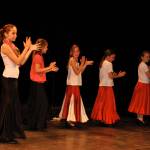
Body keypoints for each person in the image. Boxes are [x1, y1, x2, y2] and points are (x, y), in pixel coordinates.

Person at [0, 24, 39, 144]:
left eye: (16, 33)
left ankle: (10, 133)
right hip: (8, 80)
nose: (15, 35)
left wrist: (30, 49)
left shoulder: (13, 46)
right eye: (13, 33)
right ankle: (5, 136)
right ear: (6, 34)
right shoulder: (5, 47)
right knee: (8, 108)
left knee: (12, 108)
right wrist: (27, 48)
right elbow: (17, 60)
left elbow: (21, 62)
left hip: (13, 80)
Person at [59, 44, 93, 128]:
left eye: (78, 51)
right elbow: (77, 72)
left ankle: (71, 119)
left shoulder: (76, 60)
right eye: (75, 51)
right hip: (72, 85)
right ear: (71, 52)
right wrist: (83, 63)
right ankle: (69, 120)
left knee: (75, 101)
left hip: (75, 84)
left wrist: (85, 64)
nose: (77, 53)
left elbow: (80, 72)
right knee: (72, 102)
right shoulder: (71, 60)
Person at [91, 49, 126, 126]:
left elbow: (108, 74)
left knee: (103, 104)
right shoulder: (109, 64)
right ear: (107, 56)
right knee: (109, 104)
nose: (113, 59)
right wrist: (119, 75)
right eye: (112, 57)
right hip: (107, 87)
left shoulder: (102, 63)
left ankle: (103, 120)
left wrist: (114, 74)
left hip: (102, 86)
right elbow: (110, 76)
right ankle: (107, 120)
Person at [128, 50, 150, 125]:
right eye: (146, 57)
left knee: (140, 102)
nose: (148, 58)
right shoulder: (143, 65)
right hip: (143, 85)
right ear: (142, 57)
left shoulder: (142, 64)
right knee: (141, 102)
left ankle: (139, 119)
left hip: (142, 84)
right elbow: (149, 76)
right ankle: (140, 119)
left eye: (149, 57)